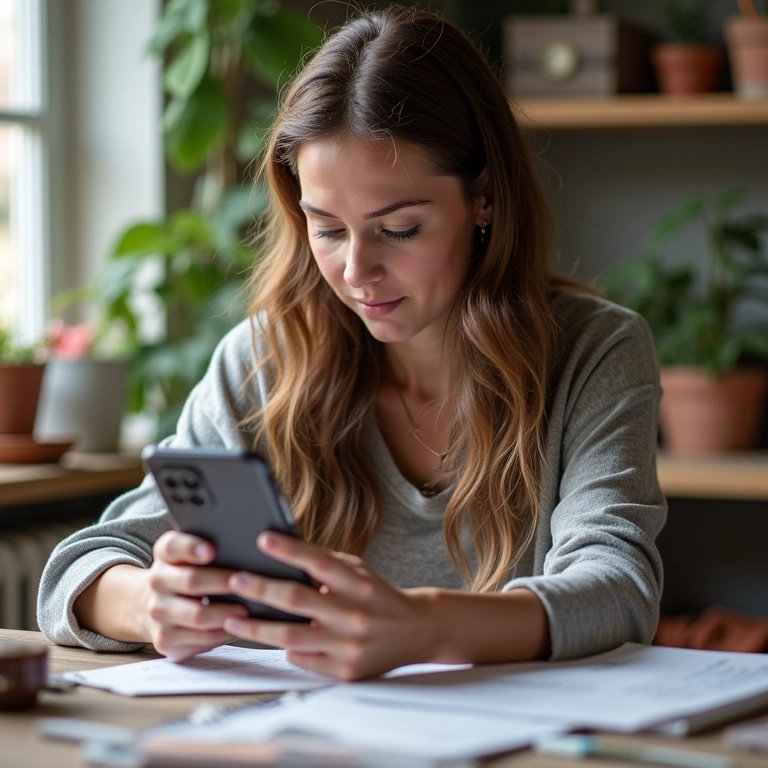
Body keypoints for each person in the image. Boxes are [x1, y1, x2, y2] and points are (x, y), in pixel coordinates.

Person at [38, 5, 666, 681]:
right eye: (327, 229)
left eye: (398, 229)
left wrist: (422, 627)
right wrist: (146, 603)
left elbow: (619, 588)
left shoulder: (594, 352)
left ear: (483, 198)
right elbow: (80, 565)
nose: (355, 272)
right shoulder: (265, 360)